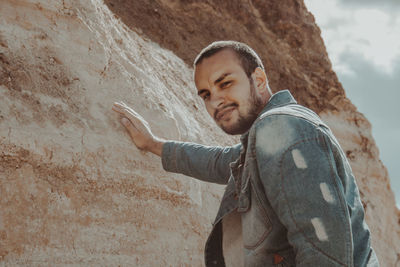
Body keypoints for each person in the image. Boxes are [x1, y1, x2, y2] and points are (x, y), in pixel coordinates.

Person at [112, 41, 379, 267]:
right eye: (206, 94)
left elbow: (324, 250)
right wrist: (153, 144)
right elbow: (222, 162)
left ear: (259, 79)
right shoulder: (271, 135)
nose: (215, 100)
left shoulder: (281, 128)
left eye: (225, 83)